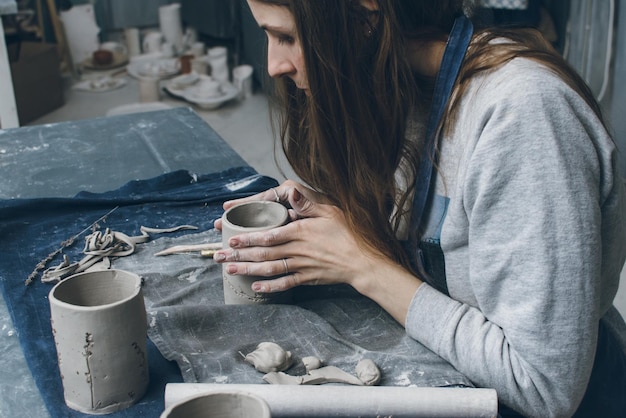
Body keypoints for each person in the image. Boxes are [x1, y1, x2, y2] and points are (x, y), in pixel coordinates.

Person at [214, 0, 626, 416]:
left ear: (365, 14)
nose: (273, 65)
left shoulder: (523, 115)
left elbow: (544, 387)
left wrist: (364, 264)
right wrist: (341, 219)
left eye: (285, 36)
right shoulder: (398, 86)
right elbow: (448, 231)